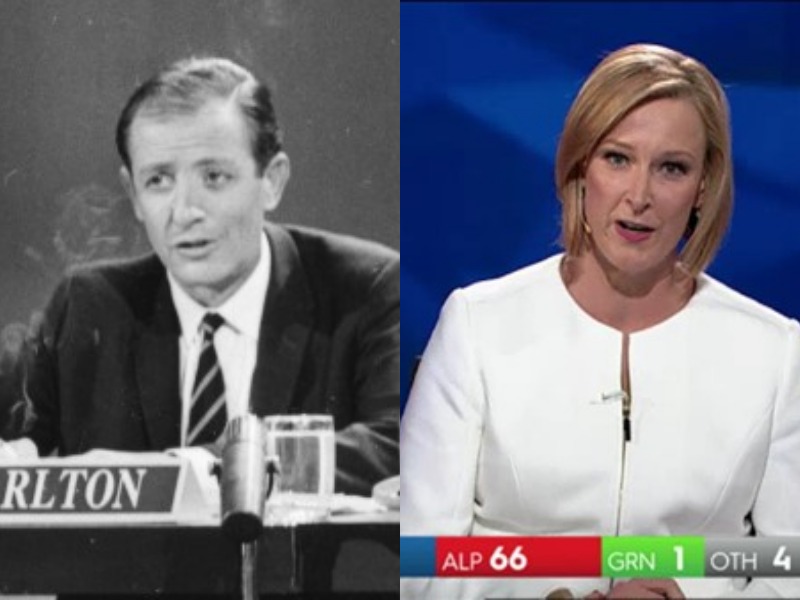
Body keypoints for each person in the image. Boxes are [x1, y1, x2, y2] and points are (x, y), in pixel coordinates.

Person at [400, 44, 800, 598]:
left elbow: (790, 569)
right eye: (618, 158)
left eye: (671, 168)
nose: (640, 196)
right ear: (581, 166)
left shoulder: (774, 351)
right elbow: (420, 562)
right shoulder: (477, 326)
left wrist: (686, 595)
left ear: (703, 186)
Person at [0, 56, 399, 498]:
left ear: (272, 181)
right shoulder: (90, 303)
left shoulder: (366, 288)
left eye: (214, 177)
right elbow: (22, 443)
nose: (185, 211)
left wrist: (191, 471)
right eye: (158, 181)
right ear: (133, 195)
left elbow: (394, 444)